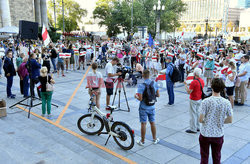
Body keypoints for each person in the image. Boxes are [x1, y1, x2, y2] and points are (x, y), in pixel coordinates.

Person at [199, 78, 233, 164]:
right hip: (218, 134)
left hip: (205, 133)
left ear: (212, 87)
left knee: (204, 156)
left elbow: (200, 119)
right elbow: (230, 119)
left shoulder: (205, 101)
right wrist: (221, 121)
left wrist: (207, 121)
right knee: (217, 157)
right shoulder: (226, 102)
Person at [135, 69, 160, 146]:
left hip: (143, 107)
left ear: (143, 75)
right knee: (152, 122)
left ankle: (142, 141)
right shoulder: (154, 83)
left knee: (143, 124)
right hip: (152, 106)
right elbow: (158, 95)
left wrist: (135, 96)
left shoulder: (141, 85)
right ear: (149, 75)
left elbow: (140, 98)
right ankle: (155, 139)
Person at [184, 68, 204, 133]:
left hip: (193, 99)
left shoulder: (194, 82)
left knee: (193, 114)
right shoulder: (202, 80)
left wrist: (186, 85)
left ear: (194, 74)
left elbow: (189, 91)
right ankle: (198, 127)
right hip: (199, 98)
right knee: (197, 113)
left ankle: (193, 128)